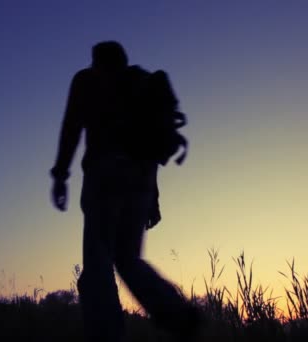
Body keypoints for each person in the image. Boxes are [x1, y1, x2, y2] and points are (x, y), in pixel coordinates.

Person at [50, 41, 198, 342]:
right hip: (141, 182)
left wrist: (60, 175)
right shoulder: (141, 85)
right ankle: (178, 314)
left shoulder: (87, 80)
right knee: (129, 259)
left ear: (97, 61)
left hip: (105, 175)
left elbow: (71, 127)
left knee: (98, 263)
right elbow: (149, 150)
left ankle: (107, 336)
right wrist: (153, 200)